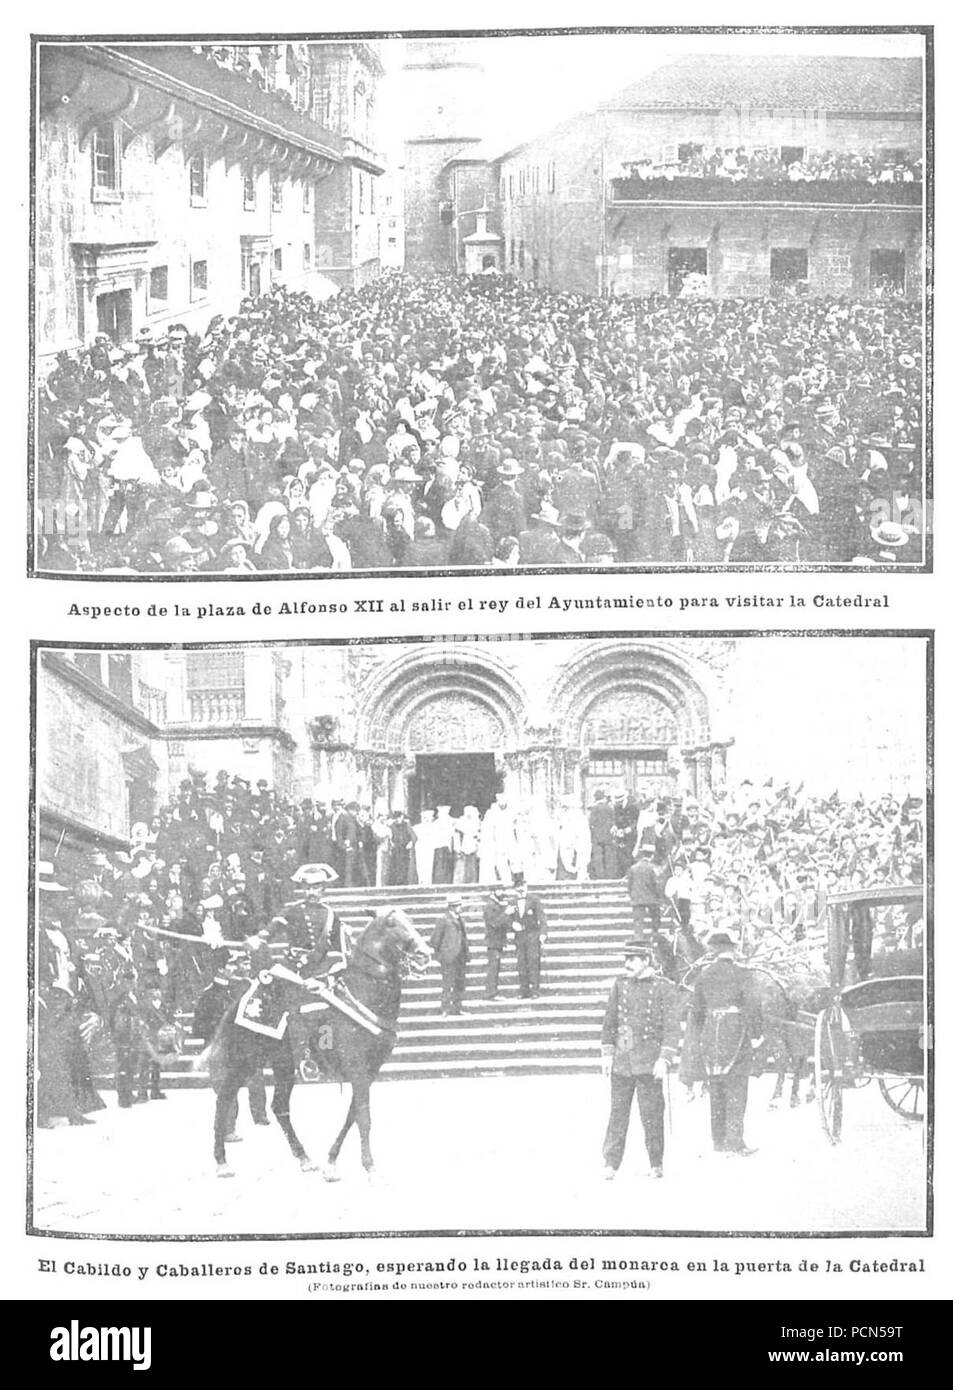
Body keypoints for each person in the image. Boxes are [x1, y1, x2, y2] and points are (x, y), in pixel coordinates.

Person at [600, 937, 681, 1179]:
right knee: (617, 1114)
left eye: (632, 959)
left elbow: (672, 1027)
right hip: (623, 1061)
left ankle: (656, 1163)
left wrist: (665, 1059)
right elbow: (609, 1022)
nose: (627, 964)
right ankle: (611, 1163)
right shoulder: (620, 985)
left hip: (650, 1062)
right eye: (626, 959)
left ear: (646, 960)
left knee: (652, 1114)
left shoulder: (664, 987)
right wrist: (607, 1054)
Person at [687, 930, 764, 1156]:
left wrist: (703, 1032)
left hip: (711, 1033)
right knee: (737, 1089)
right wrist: (756, 1033)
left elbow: (697, 1011)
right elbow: (752, 1005)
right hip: (735, 1031)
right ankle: (735, 1142)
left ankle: (718, 1142)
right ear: (731, 950)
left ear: (714, 950)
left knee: (716, 1086)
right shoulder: (743, 974)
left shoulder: (704, 975)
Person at [430, 893, 469, 1015]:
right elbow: (435, 940)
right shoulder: (443, 919)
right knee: (447, 984)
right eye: (458, 905)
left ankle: (457, 1008)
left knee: (460, 984)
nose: (460, 907)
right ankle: (445, 1009)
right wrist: (441, 955)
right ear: (452, 907)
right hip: (448, 958)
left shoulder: (460, 919)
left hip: (460, 956)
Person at [511, 878, 547, 999]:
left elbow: (542, 918)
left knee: (533, 962)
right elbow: (507, 918)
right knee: (521, 963)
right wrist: (512, 924)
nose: (520, 889)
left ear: (526, 886)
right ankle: (524, 991)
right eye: (518, 887)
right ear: (515, 889)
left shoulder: (534, 900)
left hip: (532, 934)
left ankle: (535, 990)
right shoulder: (512, 902)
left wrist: (543, 933)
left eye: (522, 886)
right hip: (519, 937)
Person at [483, 888, 511, 999]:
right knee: (493, 968)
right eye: (500, 889)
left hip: (497, 942)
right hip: (493, 942)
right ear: (493, 891)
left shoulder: (496, 904)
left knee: (495, 967)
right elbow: (494, 923)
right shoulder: (490, 905)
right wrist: (506, 913)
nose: (503, 892)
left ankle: (492, 992)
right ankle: (491, 993)